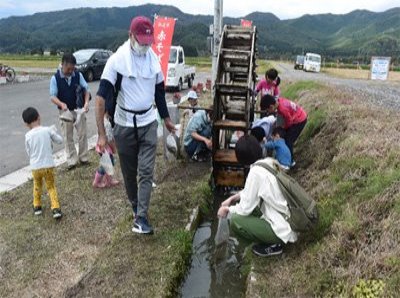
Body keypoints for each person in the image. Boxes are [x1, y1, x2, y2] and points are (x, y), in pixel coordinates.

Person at [95, 16, 175, 235]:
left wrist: (166, 119)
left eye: (149, 42)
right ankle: (135, 206)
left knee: (147, 172)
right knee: (130, 173)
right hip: (124, 125)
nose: (145, 46)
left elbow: (159, 91)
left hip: (149, 122)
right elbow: (100, 99)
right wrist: (102, 134)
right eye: (141, 41)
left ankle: (141, 217)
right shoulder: (117, 61)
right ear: (130, 36)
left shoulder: (153, 60)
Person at [217, 135, 298, 257]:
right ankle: (263, 241)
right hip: (290, 219)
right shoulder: (268, 163)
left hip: (283, 229)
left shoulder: (255, 173)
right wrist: (232, 198)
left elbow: (244, 209)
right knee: (252, 209)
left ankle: (272, 245)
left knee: (235, 220)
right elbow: (250, 193)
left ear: (241, 158)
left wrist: (227, 209)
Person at [50, 53, 90, 170]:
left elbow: (86, 90)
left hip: (79, 109)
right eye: (68, 69)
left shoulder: (78, 75)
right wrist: (61, 104)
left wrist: (86, 103)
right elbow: (52, 96)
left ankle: (84, 158)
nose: (70, 71)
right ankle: (72, 161)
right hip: (65, 111)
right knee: (68, 136)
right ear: (62, 64)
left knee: (82, 134)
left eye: (72, 69)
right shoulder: (55, 78)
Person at [22, 107, 63, 219]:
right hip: (48, 165)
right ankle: (55, 208)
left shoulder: (28, 136)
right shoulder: (47, 130)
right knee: (51, 186)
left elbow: (28, 151)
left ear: (26, 124)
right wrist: (54, 131)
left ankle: (37, 207)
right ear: (39, 116)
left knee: (37, 185)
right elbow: (60, 140)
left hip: (35, 167)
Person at [261, 94, 307, 166]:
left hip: (299, 120)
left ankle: (290, 162)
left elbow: (289, 121)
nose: (268, 112)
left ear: (271, 106)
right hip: (297, 116)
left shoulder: (282, 109)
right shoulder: (279, 101)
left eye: (268, 110)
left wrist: (283, 129)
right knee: (285, 138)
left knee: (288, 141)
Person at [92, 112, 120, 188]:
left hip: (102, 146)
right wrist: (114, 148)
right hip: (105, 148)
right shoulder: (107, 124)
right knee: (105, 165)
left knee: (109, 164)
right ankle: (96, 182)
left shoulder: (102, 121)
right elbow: (109, 139)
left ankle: (109, 180)